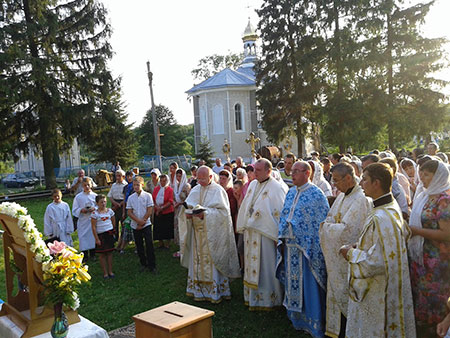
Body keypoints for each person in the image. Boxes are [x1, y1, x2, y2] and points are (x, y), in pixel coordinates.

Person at [340, 163, 415, 338]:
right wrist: (360, 246)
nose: (361, 183)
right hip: (391, 283)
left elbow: (377, 261)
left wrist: (349, 253)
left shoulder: (381, 217)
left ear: (377, 183)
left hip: (379, 288)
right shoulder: (390, 206)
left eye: (365, 179)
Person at [276, 161, 329, 336]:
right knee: (293, 284)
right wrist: (283, 236)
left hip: (307, 249)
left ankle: (313, 322)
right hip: (291, 247)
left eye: (296, 171)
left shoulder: (316, 194)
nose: (292, 174)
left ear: (307, 173)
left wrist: (299, 233)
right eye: (291, 171)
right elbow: (285, 214)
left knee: (309, 285)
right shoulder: (291, 192)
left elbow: (320, 223)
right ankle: (296, 319)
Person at [319, 163, 371, 337]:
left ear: (348, 178)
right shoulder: (342, 196)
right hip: (338, 259)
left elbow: (348, 230)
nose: (334, 185)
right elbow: (331, 218)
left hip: (350, 259)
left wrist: (326, 228)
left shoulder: (361, 199)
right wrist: (328, 226)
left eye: (336, 180)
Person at [178, 166, 240, 303]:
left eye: (203, 179)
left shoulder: (218, 191)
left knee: (212, 263)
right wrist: (187, 214)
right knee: (197, 262)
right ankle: (198, 291)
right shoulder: (195, 189)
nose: (200, 181)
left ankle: (215, 292)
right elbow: (187, 207)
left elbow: (224, 214)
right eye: (198, 178)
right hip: (196, 234)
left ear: (211, 177)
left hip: (212, 235)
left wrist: (205, 214)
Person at [237, 158, 288, 310]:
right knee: (251, 264)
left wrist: (278, 236)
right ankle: (253, 298)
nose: (255, 173)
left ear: (268, 171)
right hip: (251, 233)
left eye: (258, 170)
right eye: (254, 170)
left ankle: (270, 299)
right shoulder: (253, 184)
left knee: (266, 266)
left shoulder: (277, 187)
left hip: (266, 235)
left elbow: (280, 213)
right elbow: (247, 205)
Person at [408, 160, 450, 337]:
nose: (422, 178)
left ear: (438, 176)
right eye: (421, 174)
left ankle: (438, 330)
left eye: (426, 175)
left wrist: (416, 231)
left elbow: (446, 234)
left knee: (436, 298)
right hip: (421, 258)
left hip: (437, 260)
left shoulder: (444, 200)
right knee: (422, 297)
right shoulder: (424, 196)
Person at [126, 176, 156, 273]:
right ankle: (143, 263)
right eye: (134, 185)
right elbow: (129, 212)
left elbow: (149, 209)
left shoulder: (148, 196)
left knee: (149, 244)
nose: (136, 187)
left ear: (142, 185)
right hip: (135, 225)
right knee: (139, 245)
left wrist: (143, 221)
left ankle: (152, 265)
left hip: (146, 224)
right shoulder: (131, 198)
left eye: (137, 185)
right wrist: (138, 221)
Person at [72, 178, 97, 261]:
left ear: (91, 185)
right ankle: (85, 255)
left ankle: (93, 254)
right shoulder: (78, 197)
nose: (87, 187)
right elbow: (75, 209)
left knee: (92, 236)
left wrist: (94, 209)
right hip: (83, 220)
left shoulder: (95, 196)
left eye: (88, 185)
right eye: (85, 185)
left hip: (92, 220)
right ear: (82, 186)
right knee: (83, 237)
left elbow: (99, 206)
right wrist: (81, 210)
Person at [91, 194, 115, 279]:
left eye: (105, 201)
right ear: (97, 203)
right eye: (101, 202)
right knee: (102, 255)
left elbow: (113, 221)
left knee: (109, 253)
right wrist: (96, 238)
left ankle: (110, 271)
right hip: (101, 235)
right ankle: (105, 272)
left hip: (109, 234)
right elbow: (93, 227)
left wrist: (113, 231)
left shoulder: (110, 211)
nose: (103, 204)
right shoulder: (95, 214)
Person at [152, 174, 174, 249]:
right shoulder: (156, 189)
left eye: (164, 181)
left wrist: (162, 208)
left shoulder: (170, 190)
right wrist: (157, 208)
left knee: (167, 228)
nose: (162, 182)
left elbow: (170, 201)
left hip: (167, 211)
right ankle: (160, 243)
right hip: (157, 211)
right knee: (158, 228)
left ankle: (167, 244)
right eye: (161, 181)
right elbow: (153, 199)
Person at [173, 168, 191, 258]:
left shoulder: (186, 186)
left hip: (183, 209)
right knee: (177, 227)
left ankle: (185, 248)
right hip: (176, 209)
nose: (178, 177)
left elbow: (189, 199)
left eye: (180, 176)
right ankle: (180, 247)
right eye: (177, 175)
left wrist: (179, 203)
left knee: (183, 227)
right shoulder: (176, 185)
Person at [107, 169, 127, 241]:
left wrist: (120, 204)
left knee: (123, 222)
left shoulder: (126, 185)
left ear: (123, 176)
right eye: (116, 176)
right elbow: (110, 195)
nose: (117, 178)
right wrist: (115, 204)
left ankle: (123, 238)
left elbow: (126, 197)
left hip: (122, 205)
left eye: (119, 176)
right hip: (114, 204)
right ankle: (116, 237)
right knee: (114, 222)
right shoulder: (114, 185)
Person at [219, 170, 238, 235]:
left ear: (228, 180)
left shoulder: (231, 191)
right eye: (220, 178)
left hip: (228, 218)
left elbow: (232, 207)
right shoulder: (217, 190)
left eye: (224, 179)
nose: (221, 181)